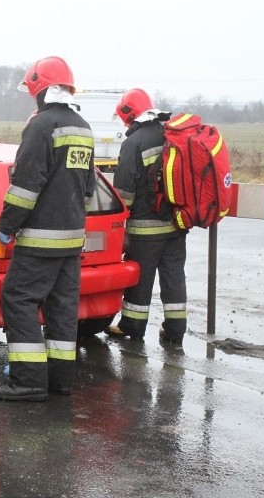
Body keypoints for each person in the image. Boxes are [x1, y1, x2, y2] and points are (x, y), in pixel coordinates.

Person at [0, 56, 96, 402]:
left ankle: (28, 380)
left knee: (17, 299)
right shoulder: (83, 126)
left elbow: (25, 187)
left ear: (39, 88)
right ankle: (59, 379)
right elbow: (89, 189)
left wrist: (6, 226)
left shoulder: (41, 126)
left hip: (40, 239)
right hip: (71, 240)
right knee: (62, 309)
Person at [106, 88, 187, 344]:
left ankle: (131, 325)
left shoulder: (134, 143)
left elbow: (124, 194)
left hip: (145, 229)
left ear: (129, 115)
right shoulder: (171, 134)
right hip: (175, 224)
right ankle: (175, 329)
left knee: (140, 277)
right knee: (173, 276)